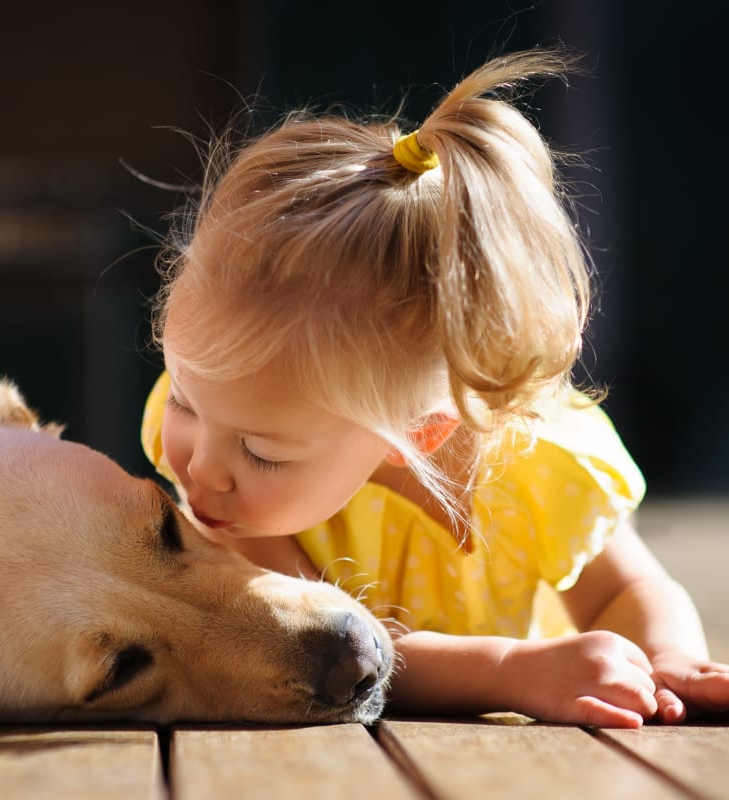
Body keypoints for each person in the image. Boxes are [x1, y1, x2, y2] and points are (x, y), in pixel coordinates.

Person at [139, 49, 729, 728]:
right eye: (184, 399)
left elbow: (628, 588)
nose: (199, 465)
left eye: (263, 452)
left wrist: (667, 658)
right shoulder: (237, 511)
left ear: (417, 433)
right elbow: (328, 653)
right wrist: (512, 671)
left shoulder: (543, 463)